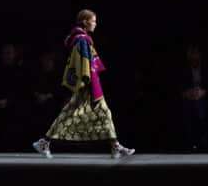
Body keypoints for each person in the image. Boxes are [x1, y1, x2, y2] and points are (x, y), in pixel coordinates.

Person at [32, 9, 134, 159]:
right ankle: (44, 142)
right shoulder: (82, 40)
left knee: (100, 113)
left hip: (88, 85)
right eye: (93, 21)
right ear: (86, 22)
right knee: (77, 114)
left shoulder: (82, 39)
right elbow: (84, 64)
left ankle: (115, 146)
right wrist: (88, 83)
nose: (95, 24)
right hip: (87, 85)